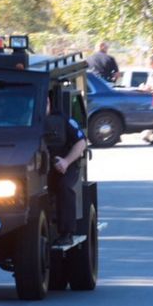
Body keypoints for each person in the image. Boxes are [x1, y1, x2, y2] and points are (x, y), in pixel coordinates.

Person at [46, 97, 88, 246]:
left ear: (48, 102)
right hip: (37, 168)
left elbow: (81, 142)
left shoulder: (63, 120)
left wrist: (66, 161)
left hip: (65, 166)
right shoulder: (23, 121)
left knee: (64, 187)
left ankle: (66, 233)